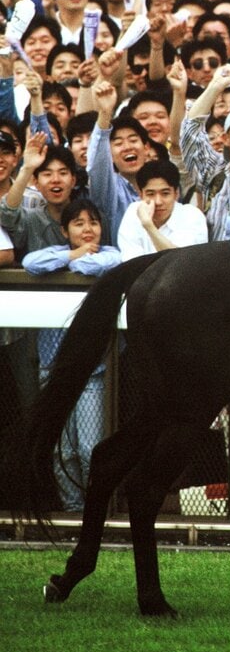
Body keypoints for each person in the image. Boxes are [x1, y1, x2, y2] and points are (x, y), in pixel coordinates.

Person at [21, 199, 121, 511]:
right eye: (78, 223)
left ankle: (96, 509)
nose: (87, 229)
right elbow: (31, 263)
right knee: (61, 450)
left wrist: (73, 259)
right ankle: (73, 509)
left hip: (92, 371)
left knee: (91, 448)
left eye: (93, 222)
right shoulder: (58, 253)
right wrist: (70, 255)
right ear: (65, 230)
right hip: (53, 366)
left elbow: (96, 266)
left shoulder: (111, 254)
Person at [117, 160, 208, 258]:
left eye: (165, 193)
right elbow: (131, 263)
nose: (158, 202)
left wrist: (148, 226)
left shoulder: (192, 215)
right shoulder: (133, 212)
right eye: (150, 194)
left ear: (176, 194)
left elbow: (178, 262)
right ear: (141, 195)